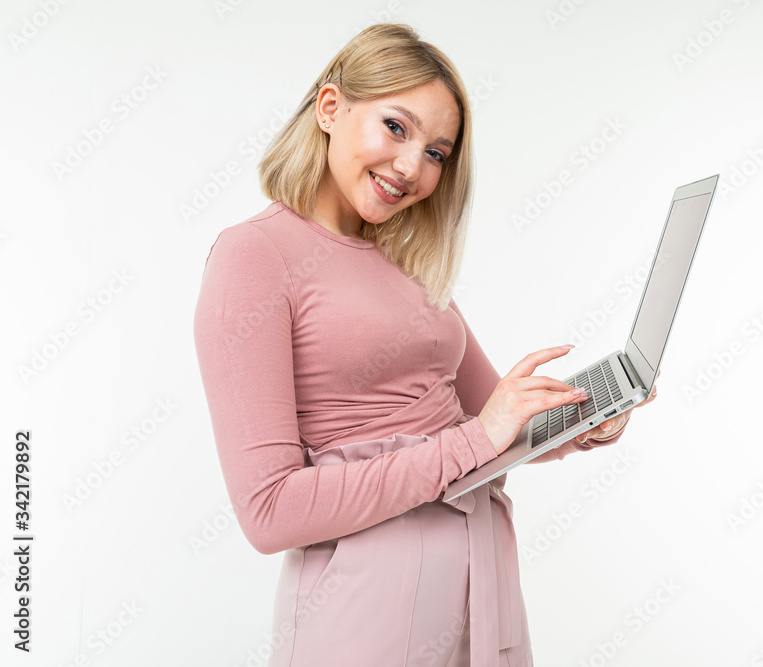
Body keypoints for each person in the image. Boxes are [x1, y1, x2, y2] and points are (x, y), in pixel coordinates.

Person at [193, 23, 655, 667]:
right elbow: (269, 511)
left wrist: (582, 419)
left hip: (480, 593)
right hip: (365, 620)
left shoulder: (406, 263)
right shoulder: (254, 256)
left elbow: (494, 423)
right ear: (330, 108)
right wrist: (476, 439)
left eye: (436, 153)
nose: (412, 167)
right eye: (395, 127)